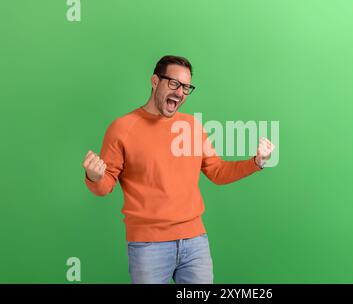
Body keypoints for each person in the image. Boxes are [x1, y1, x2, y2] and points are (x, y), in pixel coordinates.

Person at [82, 55, 275, 284]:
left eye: (186, 87)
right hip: (148, 246)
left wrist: (257, 162)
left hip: (195, 243)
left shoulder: (192, 127)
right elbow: (105, 185)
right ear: (155, 81)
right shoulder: (122, 128)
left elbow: (217, 171)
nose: (181, 92)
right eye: (174, 83)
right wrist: (94, 177)